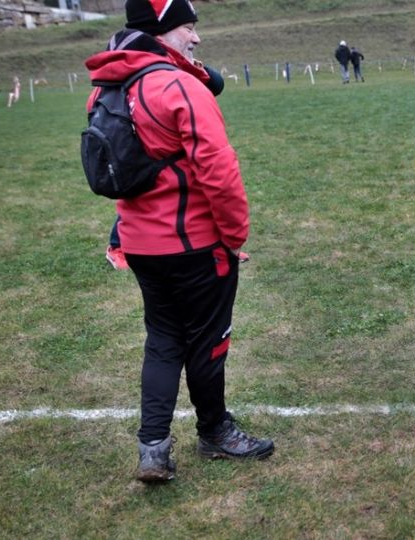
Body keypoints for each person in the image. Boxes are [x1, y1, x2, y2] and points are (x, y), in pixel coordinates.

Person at [85, 0, 274, 483]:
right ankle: (214, 432)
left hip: (140, 245)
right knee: (209, 343)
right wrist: (232, 238)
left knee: (164, 340)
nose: (196, 38)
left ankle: (153, 449)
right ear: (162, 31)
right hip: (194, 246)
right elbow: (220, 171)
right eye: (188, 28)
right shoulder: (177, 85)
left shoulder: (109, 87)